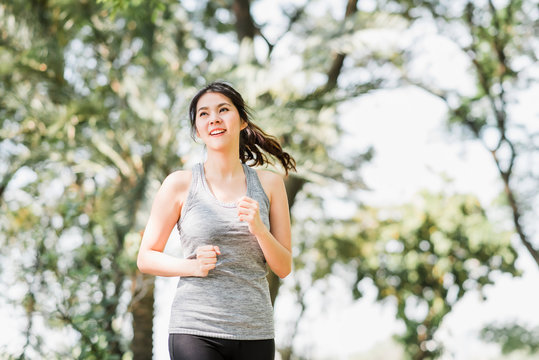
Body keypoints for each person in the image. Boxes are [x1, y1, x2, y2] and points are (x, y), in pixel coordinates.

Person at [137, 81, 296, 360]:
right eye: (204, 114)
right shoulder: (179, 184)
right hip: (195, 329)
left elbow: (283, 267)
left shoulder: (270, 184)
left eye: (224, 109)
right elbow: (146, 257)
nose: (214, 119)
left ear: (242, 120)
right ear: (197, 130)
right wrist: (192, 266)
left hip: (255, 331)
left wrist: (259, 230)